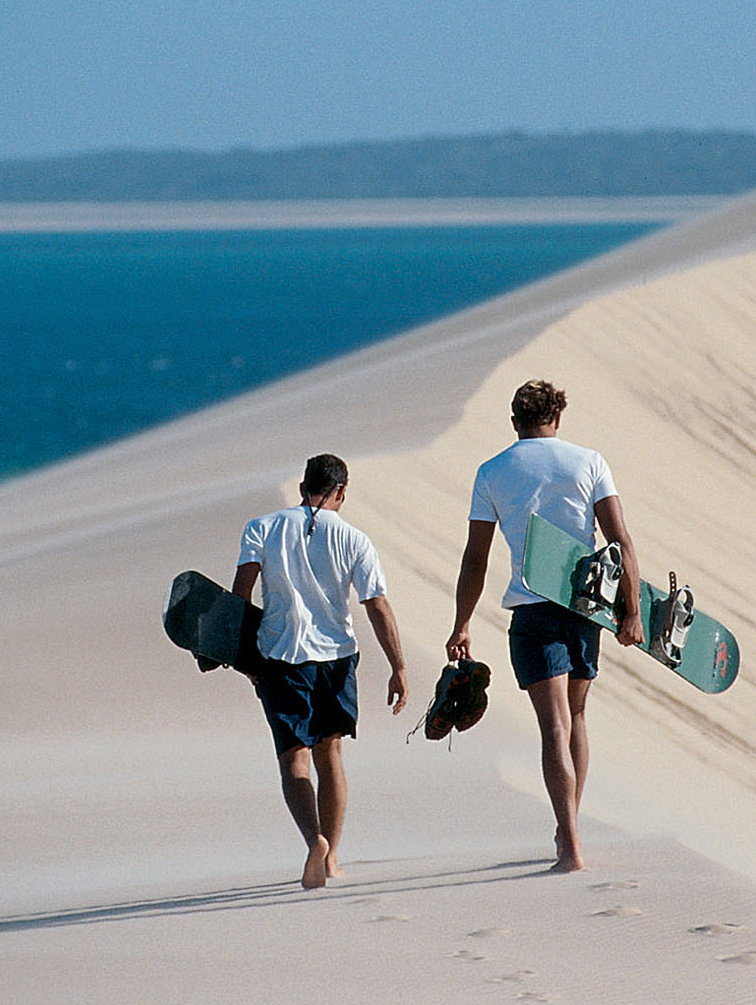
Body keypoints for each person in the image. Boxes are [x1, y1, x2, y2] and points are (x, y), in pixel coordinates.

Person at [445, 380, 643, 873]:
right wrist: (633, 610)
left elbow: (476, 558)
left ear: (514, 422)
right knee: (575, 719)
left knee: (551, 725)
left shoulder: (491, 471)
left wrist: (462, 623)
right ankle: (568, 828)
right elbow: (620, 539)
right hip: (585, 609)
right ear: (558, 419)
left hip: (533, 608)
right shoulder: (589, 461)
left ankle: (570, 844)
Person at [234, 454, 408, 889]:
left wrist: (244, 660)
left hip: (279, 656)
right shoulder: (355, 538)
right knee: (330, 756)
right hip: (336, 658)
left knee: (294, 759)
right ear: (341, 493)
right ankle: (331, 859)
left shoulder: (261, 527)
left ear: (302, 488)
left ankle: (314, 840)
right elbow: (376, 604)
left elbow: (240, 595)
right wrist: (398, 665)